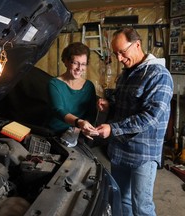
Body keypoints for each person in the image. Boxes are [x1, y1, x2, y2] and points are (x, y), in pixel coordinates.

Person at [96, 27, 173, 216]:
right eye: (116, 54)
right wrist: (110, 105)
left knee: (142, 206)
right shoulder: (126, 74)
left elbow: (150, 116)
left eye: (122, 52)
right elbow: (126, 107)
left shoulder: (159, 75)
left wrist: (112, 128)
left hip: (143, 154)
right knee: (121, 199)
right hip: (120, 149)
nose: (119, 58)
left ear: (137, 44)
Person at [48, 42, 99, 147]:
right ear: (66, 61)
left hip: (77, 134)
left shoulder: (89, 86)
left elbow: (91, 114)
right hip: (54, 134)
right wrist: (79, 122)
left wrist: (81, 129)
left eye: (83, 64)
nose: (79, 68)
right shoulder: (54, 84)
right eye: (75, 63)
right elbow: (58, 110)